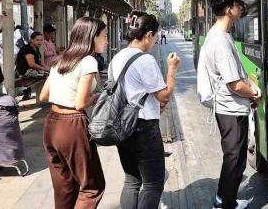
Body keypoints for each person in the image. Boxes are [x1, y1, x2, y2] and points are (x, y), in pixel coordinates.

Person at [199, 0, 261, 209]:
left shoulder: (219, 35)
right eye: (237, 4)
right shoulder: (220, 40)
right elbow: (234, 84)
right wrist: (254, 92)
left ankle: (223, 199)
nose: (241, 8)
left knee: (233, 157)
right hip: (231, 109)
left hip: (228, 107)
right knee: (234, 159)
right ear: (229, 9)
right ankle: (226, 204)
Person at [113, 11, 180, 209]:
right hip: (144, 128)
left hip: (123, 125)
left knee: (132, 181)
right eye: (155, 36)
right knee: (153, 184)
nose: (155, 40)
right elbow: (163, 95)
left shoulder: (117, 57)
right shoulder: (145, 60)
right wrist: (172, 69)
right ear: (149, 35)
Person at [39, 17, 107, 208]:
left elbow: (44, 95)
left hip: (52, 123)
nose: (107, 41)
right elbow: (81, 103)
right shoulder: (88, 61)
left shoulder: (61, 59)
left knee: (65, 187)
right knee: (92, 187)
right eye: (104, 36)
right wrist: (96, 96)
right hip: (73, 125)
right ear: (92, 37)